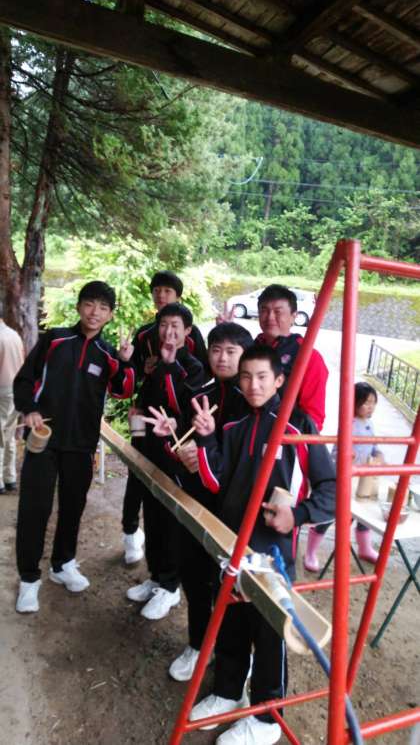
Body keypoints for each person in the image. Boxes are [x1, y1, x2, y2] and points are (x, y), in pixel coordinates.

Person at [189, 345, 336, 745]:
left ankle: (268, 718)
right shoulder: (234, 425)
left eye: (262, 377)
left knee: (270, 633)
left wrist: (298, 515)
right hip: (231, 545)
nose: (253, 385)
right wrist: (206, 437)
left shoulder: (298, 427)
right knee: (230, 620)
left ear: (279, 381)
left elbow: (331, 489)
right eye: (246, 377)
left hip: (273, 556)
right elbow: (216, 483)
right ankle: (228, 692)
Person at [13, 281, 135, 613]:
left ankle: (62, 564)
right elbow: (24, 379)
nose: (95, 312)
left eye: (103, 307)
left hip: (81, 444)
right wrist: (29, 409)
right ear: (80, 307)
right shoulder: (55, 339)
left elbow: (124, 391)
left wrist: (125, 362)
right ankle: (29, 579)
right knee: (34, 509)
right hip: (43, 439)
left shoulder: (108, 354)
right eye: (89, 304)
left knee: (72, 506)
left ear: (110, 315)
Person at [143, 322, 253, 680]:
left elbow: (238, 462)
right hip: (195, 500)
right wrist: (174, 441)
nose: (222, 358)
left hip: (231, 511)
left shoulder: (250, 402)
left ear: (245, 356)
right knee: (193, 575)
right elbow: (184, 441)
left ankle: (235, 660)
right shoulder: (201, 390)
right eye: (216, 350)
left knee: (229, 588)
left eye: (231, 351)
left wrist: (202, 455)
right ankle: (198, 644)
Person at [121, 269, 208, 564]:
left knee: (168, 498)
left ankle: (169, 575)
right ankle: (133, 538)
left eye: (167, 291)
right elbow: (139, 382)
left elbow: (195, 390)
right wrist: (136, 367)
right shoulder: (145, 334)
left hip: (176, 438)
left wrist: (170, 366)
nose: (161, 295)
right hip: (146, 427)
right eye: (157, 290)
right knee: (138, 480)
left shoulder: (191, 351)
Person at [126, 302, 205, 621]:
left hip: (176, 457)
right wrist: (137, 417)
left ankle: (171, 587)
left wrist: (171, 366)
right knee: (152, 514)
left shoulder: (194, 368)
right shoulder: (155, 362)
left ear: (188, 331)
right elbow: (147, 402)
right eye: (163, 325)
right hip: (151, 451)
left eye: (175, 326)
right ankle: (156, 576)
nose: (168, 332)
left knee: (171, 520)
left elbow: (185, 411)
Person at [304, 381, 383, 572]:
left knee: (363, 515)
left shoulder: (369, 424)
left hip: (362, 479)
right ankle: (310, 552)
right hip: (344, 479)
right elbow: (336, 452)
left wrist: (378, 454)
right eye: (366, 402)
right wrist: (346, 457)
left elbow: (374, 445)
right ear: (354, 403)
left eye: (373, 402)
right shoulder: (348, 425)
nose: (370, 407)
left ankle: (364, 548)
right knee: (331, 515)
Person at [255, 284, 328, 431]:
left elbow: (312, 418)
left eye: (278, 312)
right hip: (247, 434)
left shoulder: (309, 357)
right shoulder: (251, 348)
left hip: (281, 437)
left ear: (293, 316)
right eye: (264, 310)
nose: (270, 317)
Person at [0, 302, 25, 494]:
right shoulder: (13, 334)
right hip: (16, 389)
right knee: (7, 434)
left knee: (1, 435)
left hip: (2, 390)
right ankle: (10, 478)